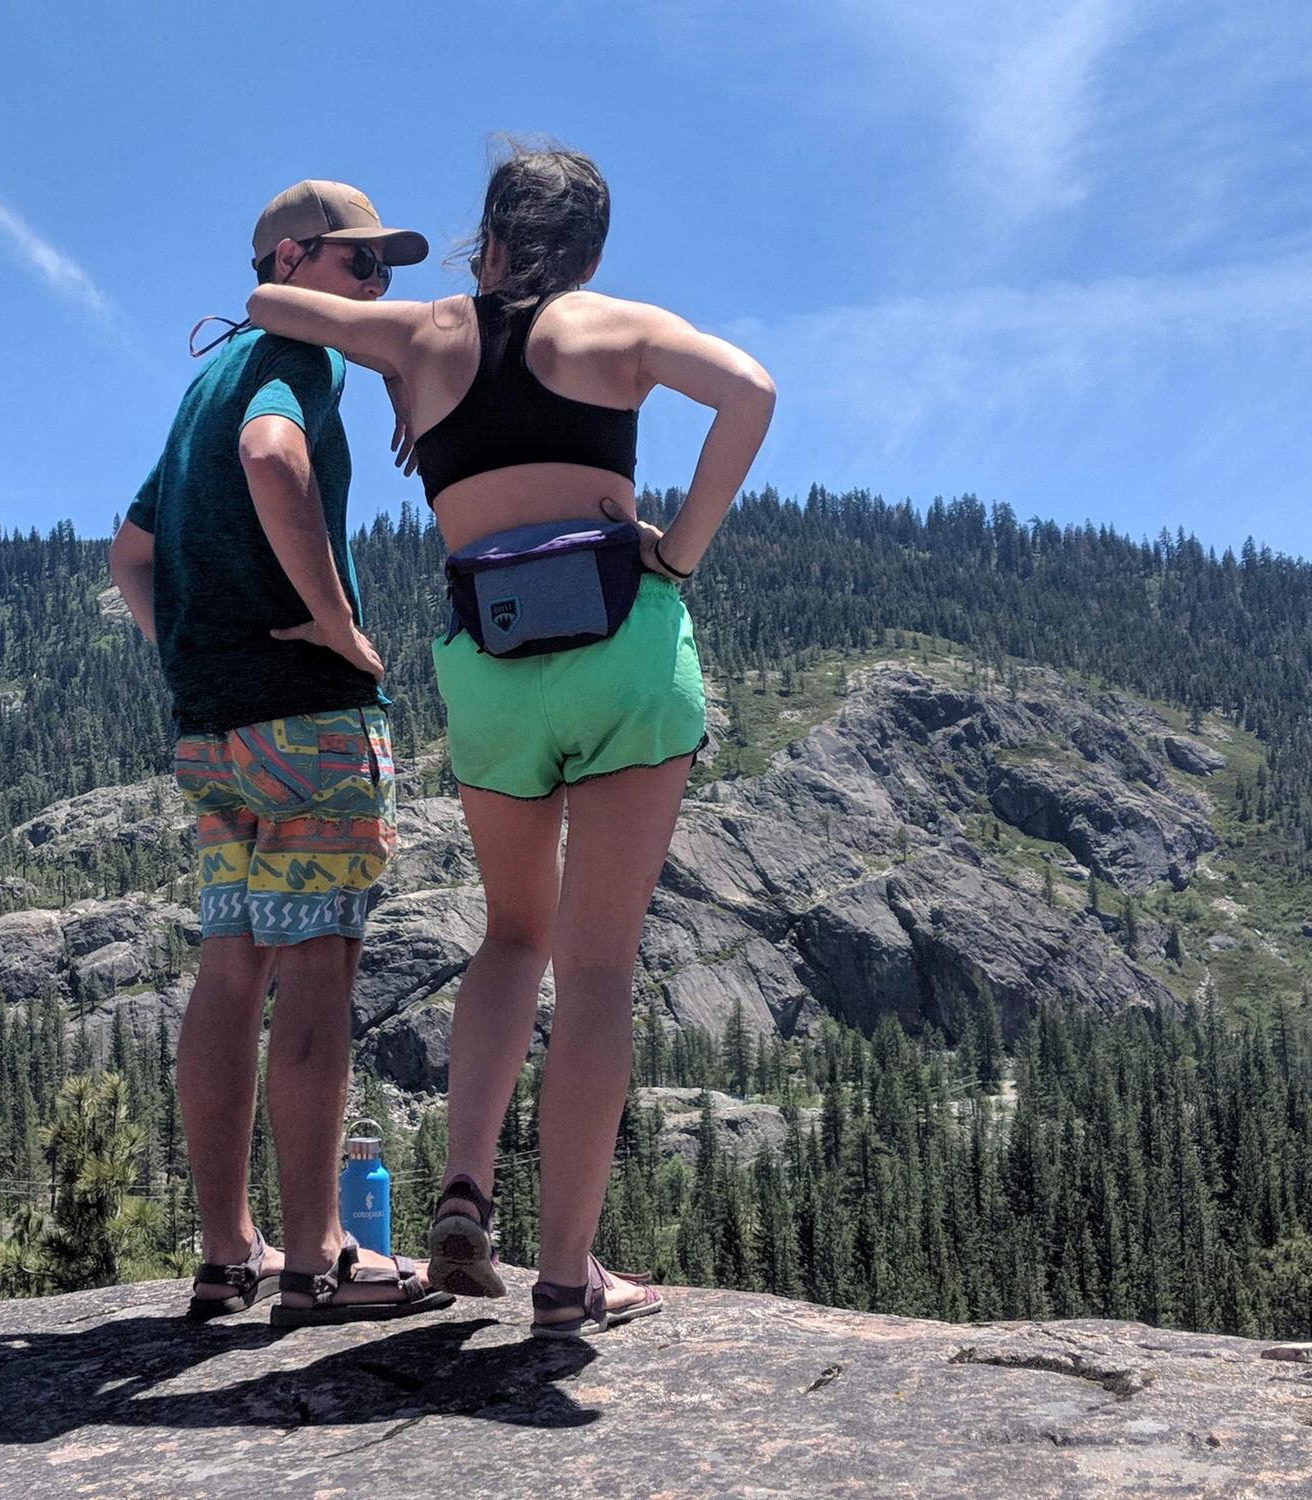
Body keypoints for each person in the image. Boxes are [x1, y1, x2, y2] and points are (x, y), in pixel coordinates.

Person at [248, 143, 776, 1336]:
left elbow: (271, 301)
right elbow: (749, 390)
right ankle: (567, 1275)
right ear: (586, 249)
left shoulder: (423, 334)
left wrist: (395, 365)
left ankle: (463, 1185)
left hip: (488, 671)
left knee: (508, 936)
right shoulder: (611, 327)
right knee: (593, 965)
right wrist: (679, 549)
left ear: (486, 230)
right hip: (619, 655)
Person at [110, 180, 453, 1328]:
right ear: (293, 261)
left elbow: (131, 551)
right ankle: (317, 1260)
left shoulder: (202, 379)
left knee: (229, 965)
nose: (375, 291)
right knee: (316, 967)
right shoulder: (290, 365)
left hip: (212, 724)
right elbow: (272, 459)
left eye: (386, 276)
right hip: (308, 716)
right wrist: (335, 622)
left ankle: (228, 1253)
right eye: (359, 267)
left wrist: (193, 659)